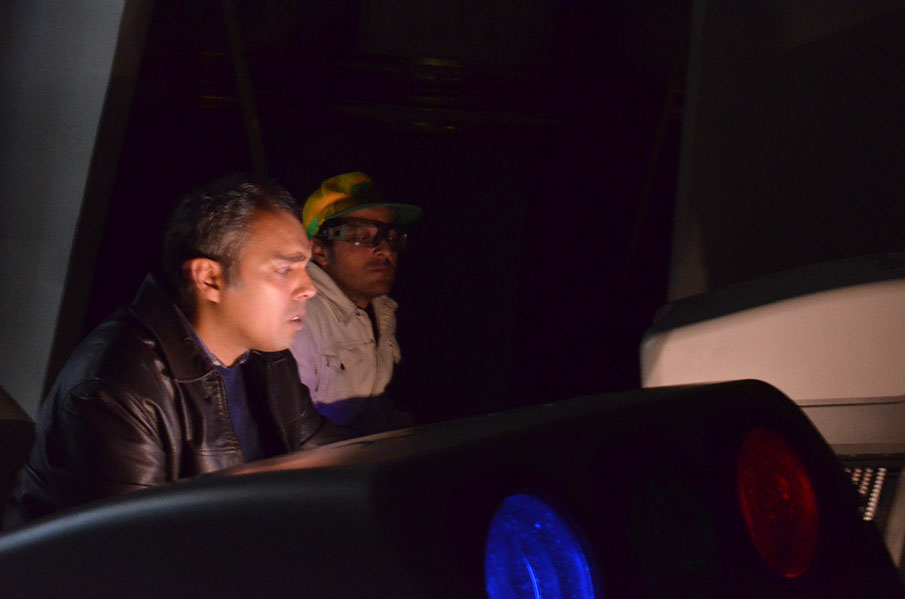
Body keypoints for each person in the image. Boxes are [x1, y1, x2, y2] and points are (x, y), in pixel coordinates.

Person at [5, 175, 344, 526]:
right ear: (208, 278)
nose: (308, 288)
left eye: (304, 267)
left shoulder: (268, 358)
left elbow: (332, 459)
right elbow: (129, 546)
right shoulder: (114, 389)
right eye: (284, 269)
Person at [290, 172, 421, 436]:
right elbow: (293, 432)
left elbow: (372, 413)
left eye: (391, 237)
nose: (385, 250)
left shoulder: (381, 310)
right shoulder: (298, 317)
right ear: (319, 250)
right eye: (362, 235)